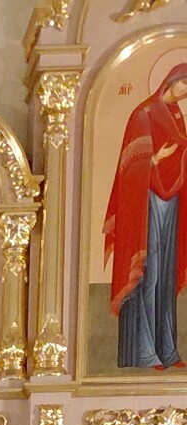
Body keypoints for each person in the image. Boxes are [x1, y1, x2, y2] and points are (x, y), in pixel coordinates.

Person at [105, 63, 187, 370]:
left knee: (165, 276)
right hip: (146, 203)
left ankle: (168, 350)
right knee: (148, 274)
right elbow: (129, 166)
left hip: (171, 201)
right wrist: (155, 158)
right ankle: (144, 351)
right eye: (185, 85)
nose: (186, 93)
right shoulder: (143, 114)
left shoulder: (176, 115)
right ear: (172, 81)